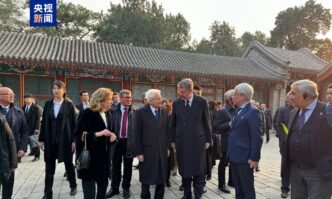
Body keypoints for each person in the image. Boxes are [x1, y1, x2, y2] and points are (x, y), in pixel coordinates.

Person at [286, 79, 332, 199]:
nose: (290, 96)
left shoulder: (327, 112)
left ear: (306, 96)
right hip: (296, 170)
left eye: (293, 93)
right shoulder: (294, 113)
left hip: (319, 172)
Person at [170, 78, 212, 199]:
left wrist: (208, 140)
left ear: (190, 90)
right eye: (179, 91)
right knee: (184, 169)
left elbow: (207, 122)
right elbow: (173, 123)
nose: (180, 94)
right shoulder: (176, 103)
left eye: (182, 92)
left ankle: (198, 195)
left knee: (198, 170)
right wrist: (172, 140)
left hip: (198, 142)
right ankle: (187, 194)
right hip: (181, 141)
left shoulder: (202, 102)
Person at [75, 88, 117, 199]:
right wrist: (97, 134)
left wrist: (112, 137)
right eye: (109, 99)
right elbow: (78, 136)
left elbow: (109, 133)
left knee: (102, 189)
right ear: (101, 100)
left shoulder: (109, 114)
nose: (112, 101)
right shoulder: (87, 113)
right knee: (89, 193)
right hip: (90, 159)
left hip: (104, 160)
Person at [38, 80, 77, 199]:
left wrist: (74, 140)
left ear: (63, 90)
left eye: (58, 88)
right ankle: (47, 193)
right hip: (50, 140)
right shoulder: (48, 104)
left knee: (69, 164)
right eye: (54, 88)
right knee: (49, 167)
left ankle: (73, 185)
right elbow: (44, 122)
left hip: (65, 140)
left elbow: (74, 124)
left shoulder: (69, 104)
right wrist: (41, 139)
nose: (56, 91)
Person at [228, 83, 263, 199]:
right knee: (238, 188)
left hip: (245, 158)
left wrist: (254, 158)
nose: (232, 97)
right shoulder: (238, 110)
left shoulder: (253, 112)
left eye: (234, 94)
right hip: (234, 155)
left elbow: (256, 137)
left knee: (247, 189)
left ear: (242, 96)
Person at [134, 89, 169, 199]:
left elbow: (166, 131)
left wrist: (167, 147)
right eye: (157, 98)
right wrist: (139, 153)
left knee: (162, 176)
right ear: (149, 100)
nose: (160, 100)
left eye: (160, 97)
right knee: (146, 177)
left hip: (162, 150)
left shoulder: (163, 111)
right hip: (147, 151)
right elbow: (136, 134)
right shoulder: (140, 113)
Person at [106, 90, 136, 199]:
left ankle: (126, 188)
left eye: (130, 97)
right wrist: (110, 137)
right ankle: (114, 188)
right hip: (116, 142)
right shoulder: (112, 111)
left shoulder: (135, 111)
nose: (129, 99)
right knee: (115, 167)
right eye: (126, 97)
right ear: (120, 98)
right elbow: (108, 127)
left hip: (129, 143)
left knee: (128, 168)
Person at [0, 87, 28, 198]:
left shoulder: (18, 111)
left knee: (9, 181)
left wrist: (22, 147)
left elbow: (24, 131)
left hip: (12, 152)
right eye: (8, 94)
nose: (12, 96)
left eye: (12, 94)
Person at [213, 89, 235, 194]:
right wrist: (229, 125)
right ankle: (221, 184)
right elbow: (215, 126)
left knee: (233, 162)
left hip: (236, 142)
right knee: (224, 163)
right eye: (234, 96)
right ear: (229, 99)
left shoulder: (237, 109)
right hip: (226, 142)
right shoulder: (222, 111)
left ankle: (231, 181)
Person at [275, 92, 293, 198]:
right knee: (285, 166)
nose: (289, 100)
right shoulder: (283, 111)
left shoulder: (301, 110)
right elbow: (278, 125)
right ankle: (285, 188)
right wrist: (284, 138)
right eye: (288, 98)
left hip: (299, 146)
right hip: (285, 144)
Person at [0, 117, 17, 198]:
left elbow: (11, 140)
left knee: (7, 193)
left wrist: (13, 164)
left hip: (4, 163)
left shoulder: (2, 122)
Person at [22, 93, 41, 162]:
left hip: (33, 128)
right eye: (25, 98)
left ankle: (37, 156)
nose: (27, 99)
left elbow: (38, 119)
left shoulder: (36, 108)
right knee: (26, 141)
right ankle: (31, 152)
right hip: (25, 128)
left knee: (34, 142)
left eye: (28, 98)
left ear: (32, 99)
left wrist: (37, 128)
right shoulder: (23, 108)